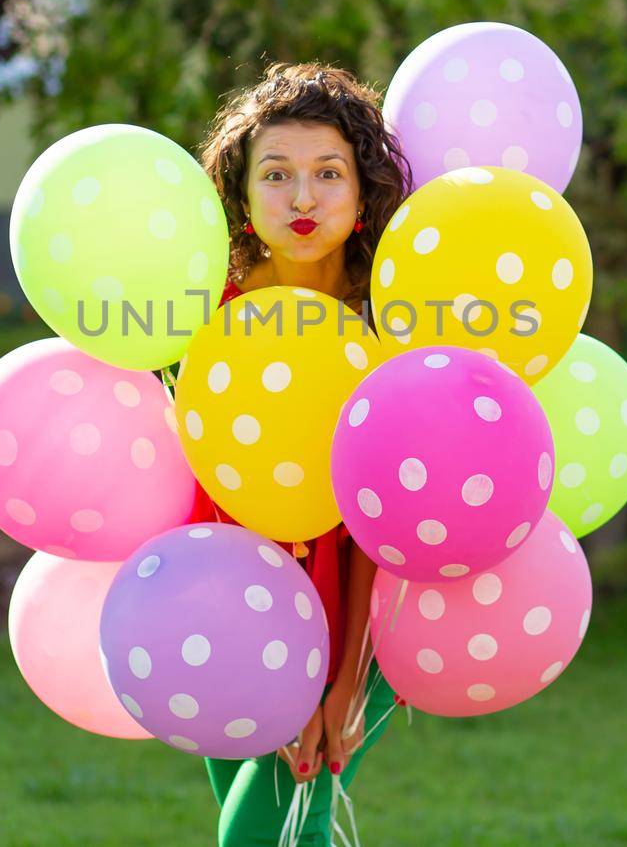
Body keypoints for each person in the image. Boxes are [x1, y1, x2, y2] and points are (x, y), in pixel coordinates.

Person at [184, 62, 414, 846]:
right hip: (225, 598)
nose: (304, 198)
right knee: (255, 812)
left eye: (328, 173)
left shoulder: (396, 313)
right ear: (243, 198)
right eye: (276, 175)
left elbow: (373, 519)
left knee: (275, 818)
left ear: (363, 192)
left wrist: (342, 677)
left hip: (368, 603)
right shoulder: (206, 307)